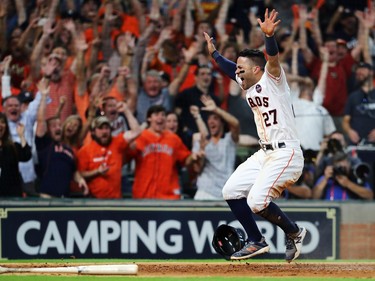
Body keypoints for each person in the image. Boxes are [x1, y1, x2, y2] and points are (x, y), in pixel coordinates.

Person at [203, 9, 306, 262]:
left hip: (286, 152)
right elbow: (229, 70)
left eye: (242, 68)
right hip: (265, 153)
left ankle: (293, 232)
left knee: (257, 202)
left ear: (256, 69)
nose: (237, 72)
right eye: (238, 68)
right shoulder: (248, 83)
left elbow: (272, 58)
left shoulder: (273, 79)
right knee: (231, 191)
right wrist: (215, 55)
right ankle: (256, 240)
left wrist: (269, 37)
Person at [126, 105, 203, 199]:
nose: (160, 117)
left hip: (168, 195)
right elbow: (127, 156)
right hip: (144, 193)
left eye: (162, 115)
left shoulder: (173, 139)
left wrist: (193, 157)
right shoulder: (141, 137)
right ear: (149, 118)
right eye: (156, 114)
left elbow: (185, 159)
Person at [77, 103, 141, 199]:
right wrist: (97, 172)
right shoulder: (85, 150)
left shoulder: (117, 142)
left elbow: (137, 132)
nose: (104, 132)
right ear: (93, 132)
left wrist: (127, 111)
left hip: (116, 200)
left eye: (107, 128)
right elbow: (80, 174)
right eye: (100, 128)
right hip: (94, 201)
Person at [191, 96, 240, 200]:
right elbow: (197, 169)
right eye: (209, 119)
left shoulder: (229, 140)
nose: (211, 122)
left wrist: (216, 109)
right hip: (205, 192)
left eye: (215, 118)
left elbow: (235, 124)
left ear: (222, 122)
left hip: (226, 193)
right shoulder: (201, 141)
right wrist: (200, 155)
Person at [342, 62, 375, 145]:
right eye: (358, 70)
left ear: (371, 72)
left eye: (363, 69)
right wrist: (349, 131)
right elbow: (345, 121)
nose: (359, 72)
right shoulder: (353, 96)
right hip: (357, 144)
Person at [0, 114, 32, 197]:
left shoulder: (12, 147)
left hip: (12, 196)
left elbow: (26, 155)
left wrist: (21, 136)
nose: (0, 125)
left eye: (3, 122)